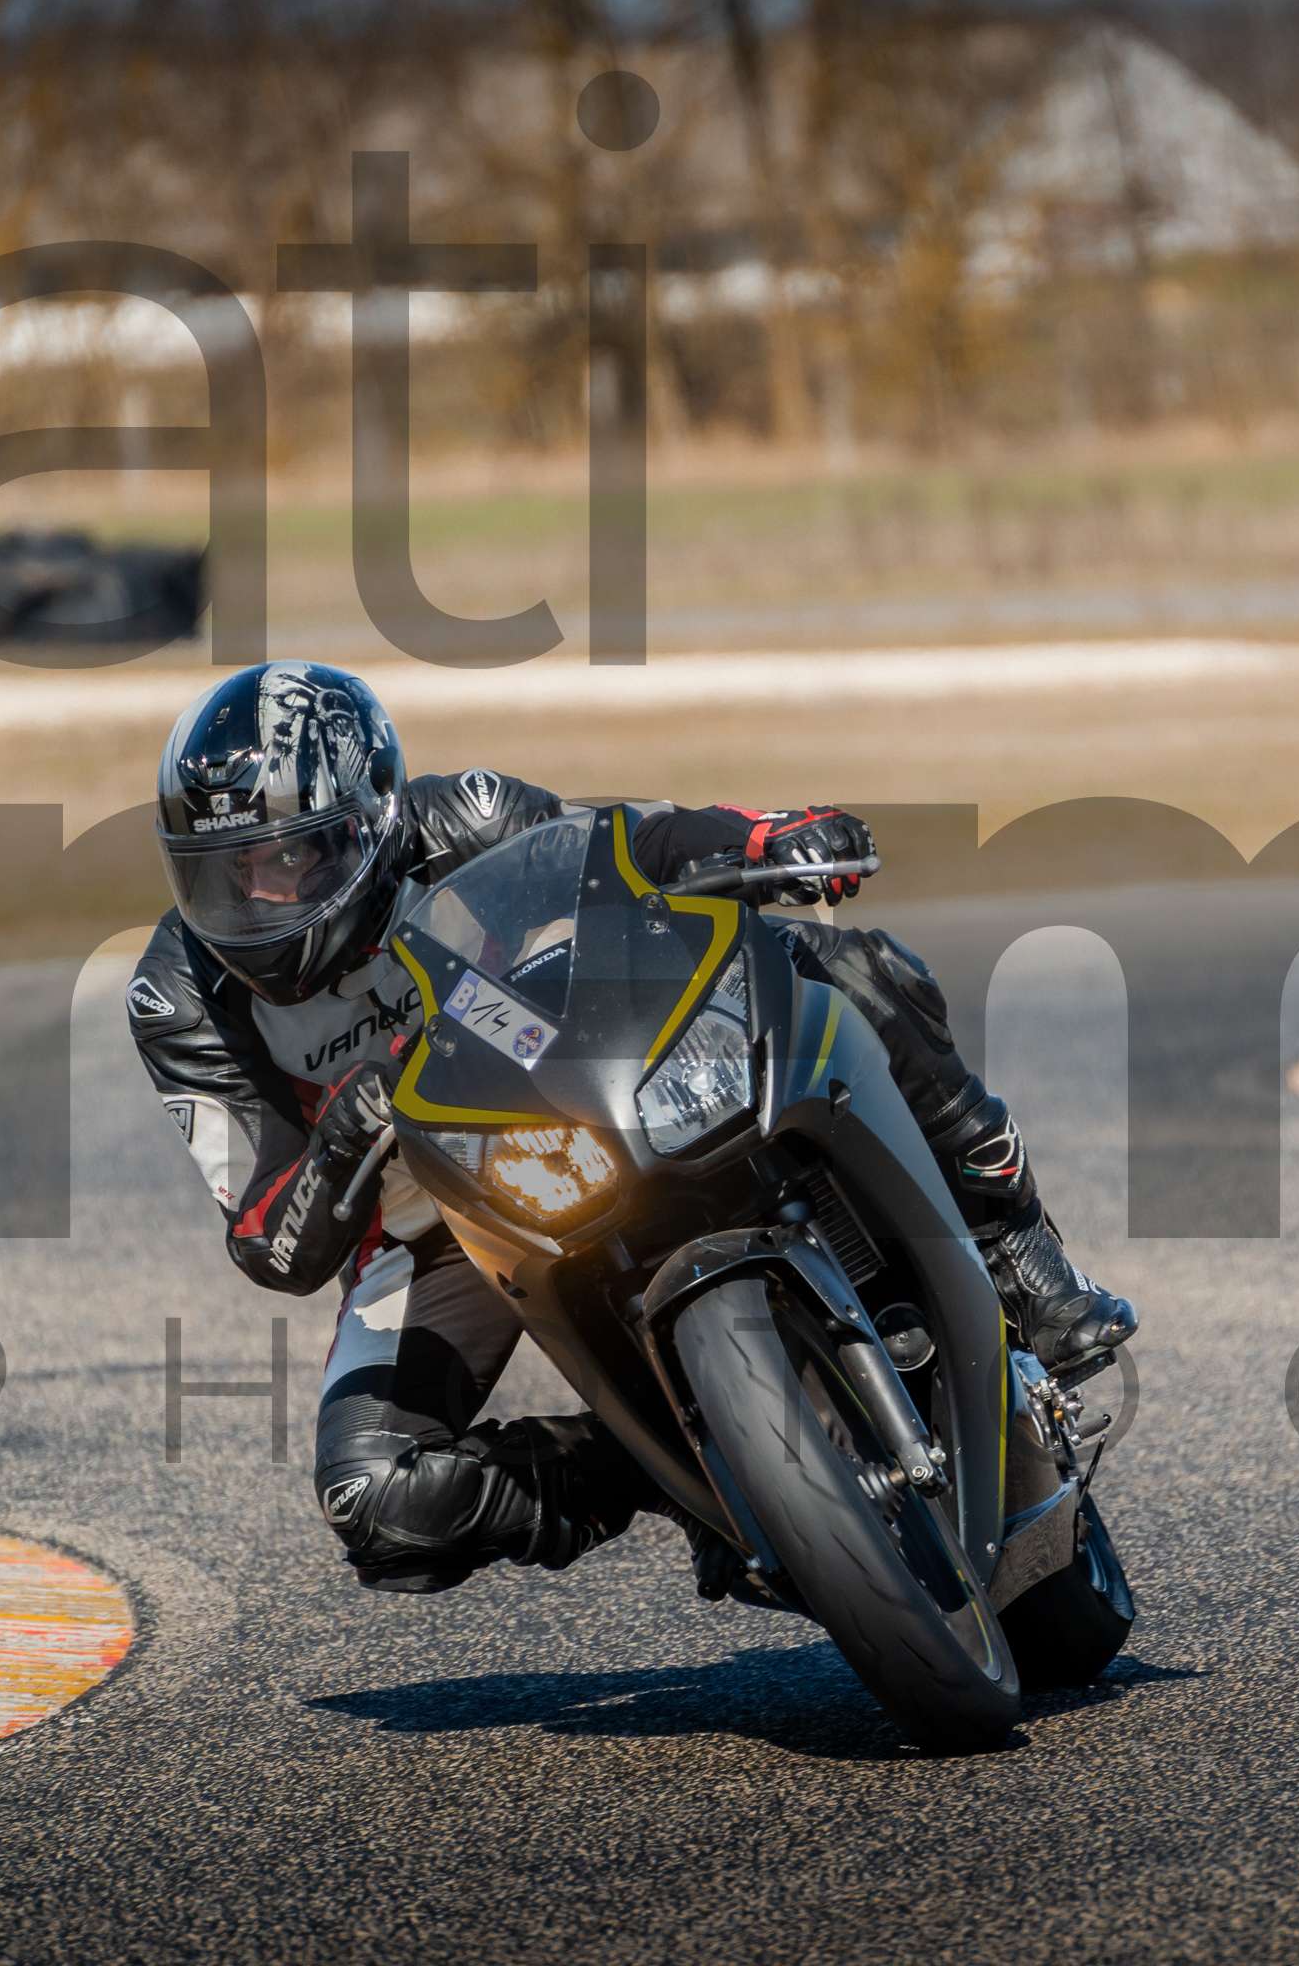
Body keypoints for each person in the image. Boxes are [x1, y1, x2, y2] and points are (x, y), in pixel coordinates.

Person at [127, 661, 1136, 1594]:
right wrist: (346, 1135)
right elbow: (271, 1243)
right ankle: (679, 1469)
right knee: (374, 1499)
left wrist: (758, 839)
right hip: (427, 1224)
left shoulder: (468, 815)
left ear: (370, 821)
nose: (255, 899)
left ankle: (1018, 1247)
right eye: (223, 873)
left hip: (588, 1098)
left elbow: (627, 850)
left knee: (848, 967)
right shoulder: (177, 997)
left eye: (287, 858)